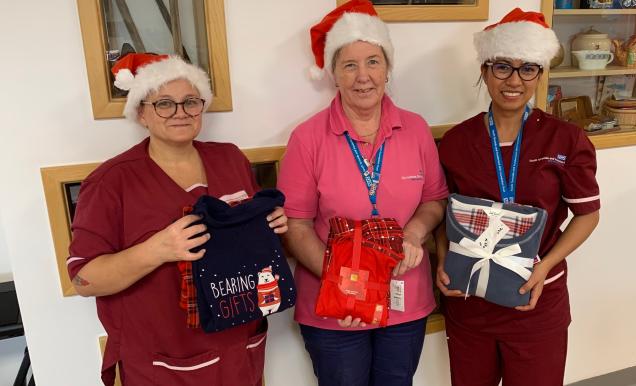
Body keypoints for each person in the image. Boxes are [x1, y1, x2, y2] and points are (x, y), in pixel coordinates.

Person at [67, 53, 288, 386]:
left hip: (238, 350)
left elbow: (253, 239)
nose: (180, 113)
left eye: (190, 102)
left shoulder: (229, 158)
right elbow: (85, 279)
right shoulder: (111, 182)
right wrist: (157, 249)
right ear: (141, 113)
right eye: (164, 104)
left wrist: (271, 225)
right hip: (162, 363)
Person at [277, 1, 448, 385]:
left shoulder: (416, 129)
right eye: (349, 65)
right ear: (333, 73)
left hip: (405, 299)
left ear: (388, 69)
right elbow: (296, 224)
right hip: (335, 307)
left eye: (373, 61)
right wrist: (345, 283)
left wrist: (414, 233)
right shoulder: (307, 139)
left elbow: (434, 199)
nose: (363, 76)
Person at [436, 8, 601, 386]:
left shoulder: (565, 139)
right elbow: (442, 215)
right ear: (484, 71)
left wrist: (546, 265)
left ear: (540, 74)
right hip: (469, 300)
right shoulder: (457, 142)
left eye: (528, 68)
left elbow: (588, 215)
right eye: (502, 67)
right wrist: (443, 260)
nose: (514, 80)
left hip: (537, 298)